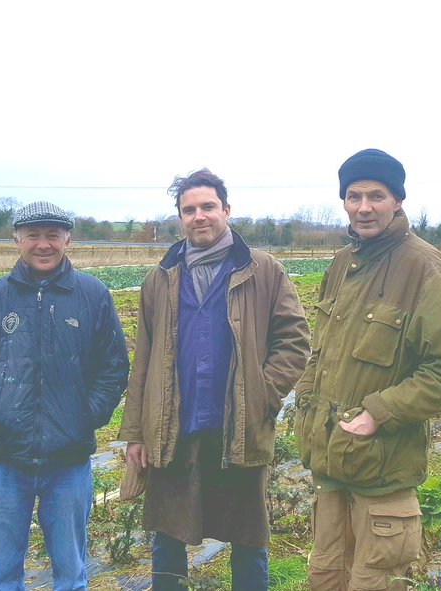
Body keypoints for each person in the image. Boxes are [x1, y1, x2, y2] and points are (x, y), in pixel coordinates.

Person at [119, 169, 311, 590]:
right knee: (167, 535)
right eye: (189, 210)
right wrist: (135, 432)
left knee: (248, 538)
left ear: (226, 210)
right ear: (180, 218)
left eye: (208, 207)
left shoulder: (263, 271)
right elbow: (144, 361)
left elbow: (295, 342)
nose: (199, 216)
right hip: (173, 428)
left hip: (239, 428)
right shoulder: (160, 278)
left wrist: (261, 395)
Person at [295, 149, 441, 591]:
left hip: (382, 471)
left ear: (397, 201)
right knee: (325, 578)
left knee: (373, 582)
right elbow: (321, 351)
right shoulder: (342, 265)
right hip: (330, 467)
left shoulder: (422, 266)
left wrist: (378, 412)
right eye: (353, 196)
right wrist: (304, 400)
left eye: (376, 195)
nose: (363, 207)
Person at [0, 201, 129, 591]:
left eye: (53, 235)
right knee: (3, 576)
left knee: (70, 573)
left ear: (67, 239)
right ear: (17, 240)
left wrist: (87, 413)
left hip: (68, 460)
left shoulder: (92, 294)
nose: (43, 244)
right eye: (33, 235)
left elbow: (113, 366)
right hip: (3, 458)